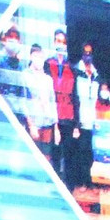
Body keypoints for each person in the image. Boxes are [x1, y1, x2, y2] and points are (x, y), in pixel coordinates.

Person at [0, 26, 32, 136]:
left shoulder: (19, 66)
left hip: (17, 118)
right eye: (10, 36)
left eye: (16, 37)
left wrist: (28, 121)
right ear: (4, 39)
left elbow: (22, 95)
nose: (13, 40)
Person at [46, 30, 77, 180]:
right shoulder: (47, 64)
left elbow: (75, 95)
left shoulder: (71, 67)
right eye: (58, 41)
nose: (61, 45)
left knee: (68, 151)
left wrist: (76, 122)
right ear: (53, 42)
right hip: (52, 115)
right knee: (54, 151)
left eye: (64, 42)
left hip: (67, 116)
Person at [70, 46, 101, 193]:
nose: (87, 56)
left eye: (90, 53)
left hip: (93, 123)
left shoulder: (96, 75)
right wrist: (76, 124)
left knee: (92, 154)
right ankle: (82, 182)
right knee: (81, 154)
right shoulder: (76, 72)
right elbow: (74, 100)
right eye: (85, 53)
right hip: (80, 122)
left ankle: (91, 183)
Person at [25, 44, 59, 160]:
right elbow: (23, 102)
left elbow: (52, 102)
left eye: (41, 57)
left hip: (47, 124)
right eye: (36, 56)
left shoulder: (48, 79)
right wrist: (31, 125)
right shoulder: (25, 76)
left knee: (46, 158)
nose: (39, 60)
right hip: (34, 124)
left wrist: (56, 128)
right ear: (31, 57)